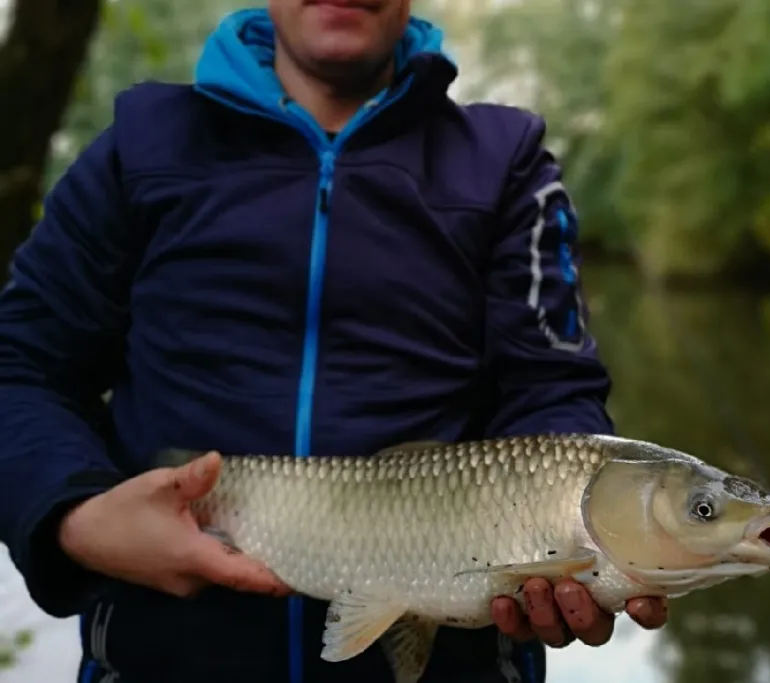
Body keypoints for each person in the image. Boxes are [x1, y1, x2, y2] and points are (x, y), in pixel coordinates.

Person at [0, 2, 668, 682]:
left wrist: (567, 540)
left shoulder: (504, 162)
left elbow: (551, 389)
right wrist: (72, 516)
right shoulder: (142, 145)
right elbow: (20, 367)